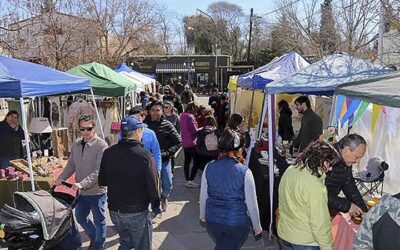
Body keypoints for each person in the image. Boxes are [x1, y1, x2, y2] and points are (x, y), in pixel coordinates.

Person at [98, 115, 159, 250]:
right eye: (141, 129)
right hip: (136, 211)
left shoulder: (108, 152)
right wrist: (156, 206)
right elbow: (154, 186)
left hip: (114, 211)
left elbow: (102, 180)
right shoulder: (145, 155)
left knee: (125, 244)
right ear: (137, 131)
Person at [199, 128, 262, 249]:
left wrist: (202, 215)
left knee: (222, 244)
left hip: (212, 220)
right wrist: (257, 227)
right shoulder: (245, 172)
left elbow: (203, 196)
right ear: (240, 149)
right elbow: (252, 204)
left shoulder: (209, 167)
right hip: (236, 222)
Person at [55, 114, 108, 250]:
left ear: (94, 128)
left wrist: (82, 183)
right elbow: (71, 165)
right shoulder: (76, 144)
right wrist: (61, 178)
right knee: (80, 217)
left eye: (88, 129)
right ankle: (94, 237)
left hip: (97, 191)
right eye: (82, 129)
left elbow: (99, 171)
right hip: (81, 192)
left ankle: (98, 246)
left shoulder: (102, 145)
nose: (85, 132)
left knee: (99, 221)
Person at [278, 140, 340, 250]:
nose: (330, 169)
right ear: (321, 160)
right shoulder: (315, 185)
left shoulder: (291, 170)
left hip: (285, 235)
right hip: (305, 241)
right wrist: (328, 247)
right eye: (329, 164)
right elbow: (319, 223)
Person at [144, 100, 181, 211]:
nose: (155, 113)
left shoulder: (167, 125)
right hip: (147, 161)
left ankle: (164, 198)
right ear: (149, 111)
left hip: (164, 160)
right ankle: (153, 207)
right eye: (153, 110)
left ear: (162, 111)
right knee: (150, 186)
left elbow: (178, 142)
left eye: (157, 110)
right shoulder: (144, 125)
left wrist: (167, 153)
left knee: (167, 184)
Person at [129, 106, 162, 216]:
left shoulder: (150, 133)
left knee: (153, 191)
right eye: (133, 118)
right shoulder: (124, 134)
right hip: (133, 169)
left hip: (148, 168)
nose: (137, 121)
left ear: (143, 117)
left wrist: (158, 169)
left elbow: (156, 152)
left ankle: (155, 209)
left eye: (139, 118)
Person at [325, 134, 368, 217]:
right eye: (357, 157)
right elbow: (317, 193)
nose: (358, 161)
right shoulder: (327, 157)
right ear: (347, 149)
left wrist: (364, 211)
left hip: (324, 205)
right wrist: (347, 206)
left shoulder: (345, 159)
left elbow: (349, 186)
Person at [179, 102, 200, 188]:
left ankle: (187, 179)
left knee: (187, 161)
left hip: (185, 142)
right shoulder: (190, 117)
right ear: (193, 109)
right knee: (197, 162)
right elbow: (194, 131)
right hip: (192, 142)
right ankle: (191, 180)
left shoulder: (182, 115)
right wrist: (201, 129)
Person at [163, 101, 180, 174]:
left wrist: (177, 139)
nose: (164, 109)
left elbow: (178, 129)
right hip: (163, 139)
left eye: (166, 107)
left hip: (172, 139)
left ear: (171, 108)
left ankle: (171, 171)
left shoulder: (175, 117)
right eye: (164, 107)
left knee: (172, 155)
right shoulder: (161, 116)